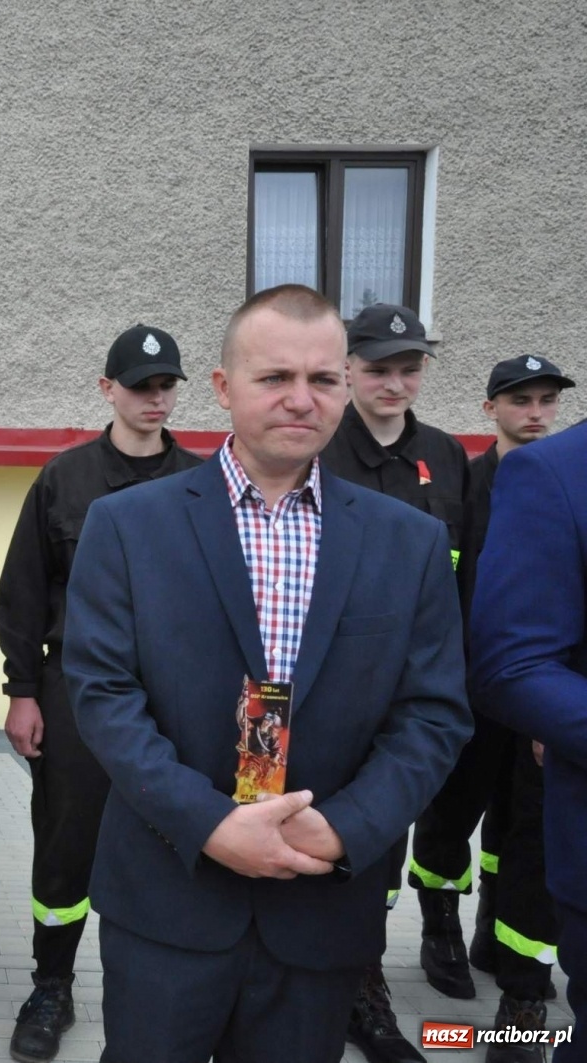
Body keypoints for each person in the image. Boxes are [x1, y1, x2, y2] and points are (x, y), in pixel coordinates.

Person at [62, 284, 470, 1063]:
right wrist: (210, 823)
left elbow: (434, 714)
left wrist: (345, 827)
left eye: (322, 380)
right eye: (274, 377)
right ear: (223, 388)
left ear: (345, 387)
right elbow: (103, 694)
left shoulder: (409, 541)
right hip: (168, 901)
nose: (300, 399)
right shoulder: (127, 526)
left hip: (320, 906)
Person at [0, 323, 203, 1062]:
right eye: (140, 385)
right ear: (106, 388)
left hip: (180, 694)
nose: (155, 398)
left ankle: (166, 987)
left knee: (176, 837)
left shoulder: (204, 481)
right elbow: (20, 594)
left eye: (166, 385)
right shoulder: (66, 478)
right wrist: (23, 692)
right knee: (66, 839)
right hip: (76, 688)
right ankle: (52, 983)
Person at [318, 301, 471, 1063]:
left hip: (410, 693)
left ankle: (362, 979)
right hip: (328, 692)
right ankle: (340, 983)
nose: (395, 381)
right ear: (347, 369)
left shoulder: (446, 459)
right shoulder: (318, 451)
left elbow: (463, 583)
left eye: (410, 367)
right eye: (378, 366)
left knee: (382, 842)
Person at [439, 356, 574, 1061]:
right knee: (454, 808)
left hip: (542, 694)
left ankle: (518, 978)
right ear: (490, 406)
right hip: (469, 683)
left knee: (527, 830)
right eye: (521, 400)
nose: (537, 413)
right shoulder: (464, 481)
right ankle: (441, 928)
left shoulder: (557, 476)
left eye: (547, 400)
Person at [471, 407, 587, 1063]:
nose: (534, 409)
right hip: (506, 712)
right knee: (510, 843)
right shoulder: (545, 473)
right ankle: (520, 1001)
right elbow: (512, 660)